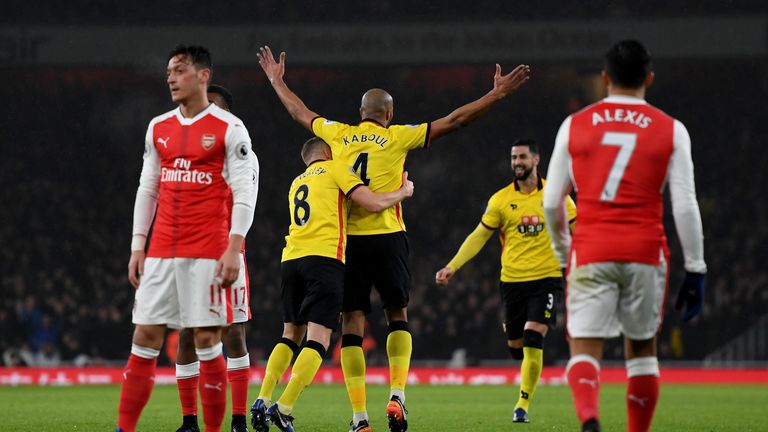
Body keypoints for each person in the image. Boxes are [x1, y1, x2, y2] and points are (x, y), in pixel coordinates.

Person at [255, 45, 530, 432]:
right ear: (389, 115)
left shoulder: (338, 135)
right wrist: (496, 94)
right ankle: (397, 394)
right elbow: (454, 120)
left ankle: (359, 417)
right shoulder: (400, 136)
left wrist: (276, 80)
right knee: (396, 315)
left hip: (347, 243)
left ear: (360, 114)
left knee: (352, 324)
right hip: (388, 236)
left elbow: (300, 112)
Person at [542, 40, 706, 432]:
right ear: (649, 77)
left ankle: (590, 419)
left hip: (592, 248)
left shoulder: (575, 124)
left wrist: (564, 253)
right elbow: (685, 205)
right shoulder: (672, 129)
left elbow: (551, 203)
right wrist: (696, 267)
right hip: (646, 251)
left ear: (605, 78)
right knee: (643, 352)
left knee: (584, 346)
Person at [117, 45, 259, 432]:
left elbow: (245, 193)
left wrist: (233, 246)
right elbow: (147, 189)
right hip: (161, 250)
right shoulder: (158, 127)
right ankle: (124, 428)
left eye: (179, 70)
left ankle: (219, 426)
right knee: (145, 335)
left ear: (202, 75)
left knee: (210, 337)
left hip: (208, 252)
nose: (170, 77)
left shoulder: (230, 129)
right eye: (168, 71)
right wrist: (137, 246)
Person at [250, 137, 415, 432]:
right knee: (319, 338)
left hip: (290, 260)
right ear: (327, 152)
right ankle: (284, 407)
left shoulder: (296, 181)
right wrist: (403, 191)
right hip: (324, 259)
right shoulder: (336, 168)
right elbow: (373, 202)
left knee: (289, 334)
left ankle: (262, 399)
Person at [435, 139, 576, 424]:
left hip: (547, 278)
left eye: (522, 157)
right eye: (513, 158)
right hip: (512, 282)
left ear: (536, 159)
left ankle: (522, 404)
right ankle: (515, 334)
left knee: (534, 338)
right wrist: (452, 266)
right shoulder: (500, 200)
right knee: (516, 347)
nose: (517, 162)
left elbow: (579, 231)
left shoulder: (556, 196)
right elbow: (478, 236)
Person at [174, 84, 256, 432]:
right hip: (188, 255)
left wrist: (234, 248)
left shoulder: (243, 154)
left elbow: (245, 203)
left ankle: (238, 419)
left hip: (226, 253)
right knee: (188, 334)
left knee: (233, 333)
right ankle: (190, 421)